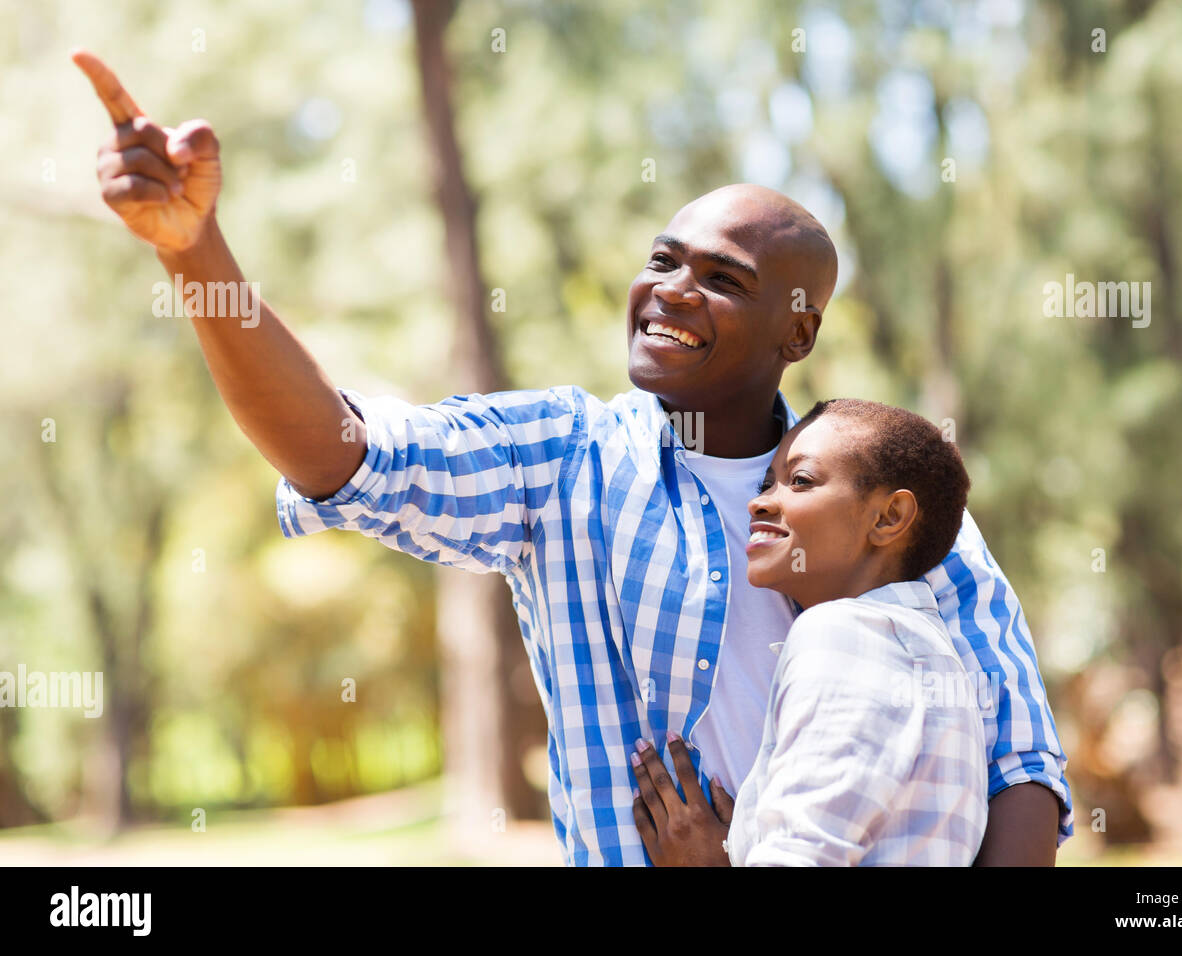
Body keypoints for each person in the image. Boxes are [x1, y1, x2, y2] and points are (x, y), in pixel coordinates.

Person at [72, 49, 1072, 865]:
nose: (671, 291)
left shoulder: (891, 499)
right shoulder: (565, 459)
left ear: (796, 333)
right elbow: (340, 452)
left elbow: (1019, 762)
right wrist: (194, 252)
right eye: (663, 260)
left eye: (723, 278)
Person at [630, 400, 987, 865]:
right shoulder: (928, 651)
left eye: (800, 481)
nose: (759, 501)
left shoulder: (847, 634)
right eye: (765, 482)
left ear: (889, 517)